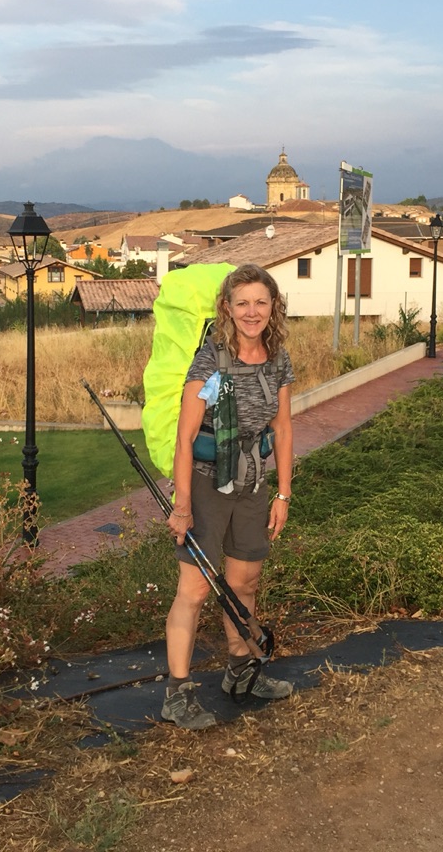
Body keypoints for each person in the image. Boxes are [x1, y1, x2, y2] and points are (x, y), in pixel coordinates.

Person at [161, 263, 295, 729]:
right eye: (242, 303)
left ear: (273, 306)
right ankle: (176, 695)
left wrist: (283, 493)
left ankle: (241, 672)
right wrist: (182, 505)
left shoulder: (278, 359)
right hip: (205, 486)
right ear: (228, 308)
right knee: (195, 590)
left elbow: (281, 427)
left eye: (260, 301)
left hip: (254, 485)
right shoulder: (210, 360)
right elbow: (184, 437)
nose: (251, 312)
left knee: (244, 585)